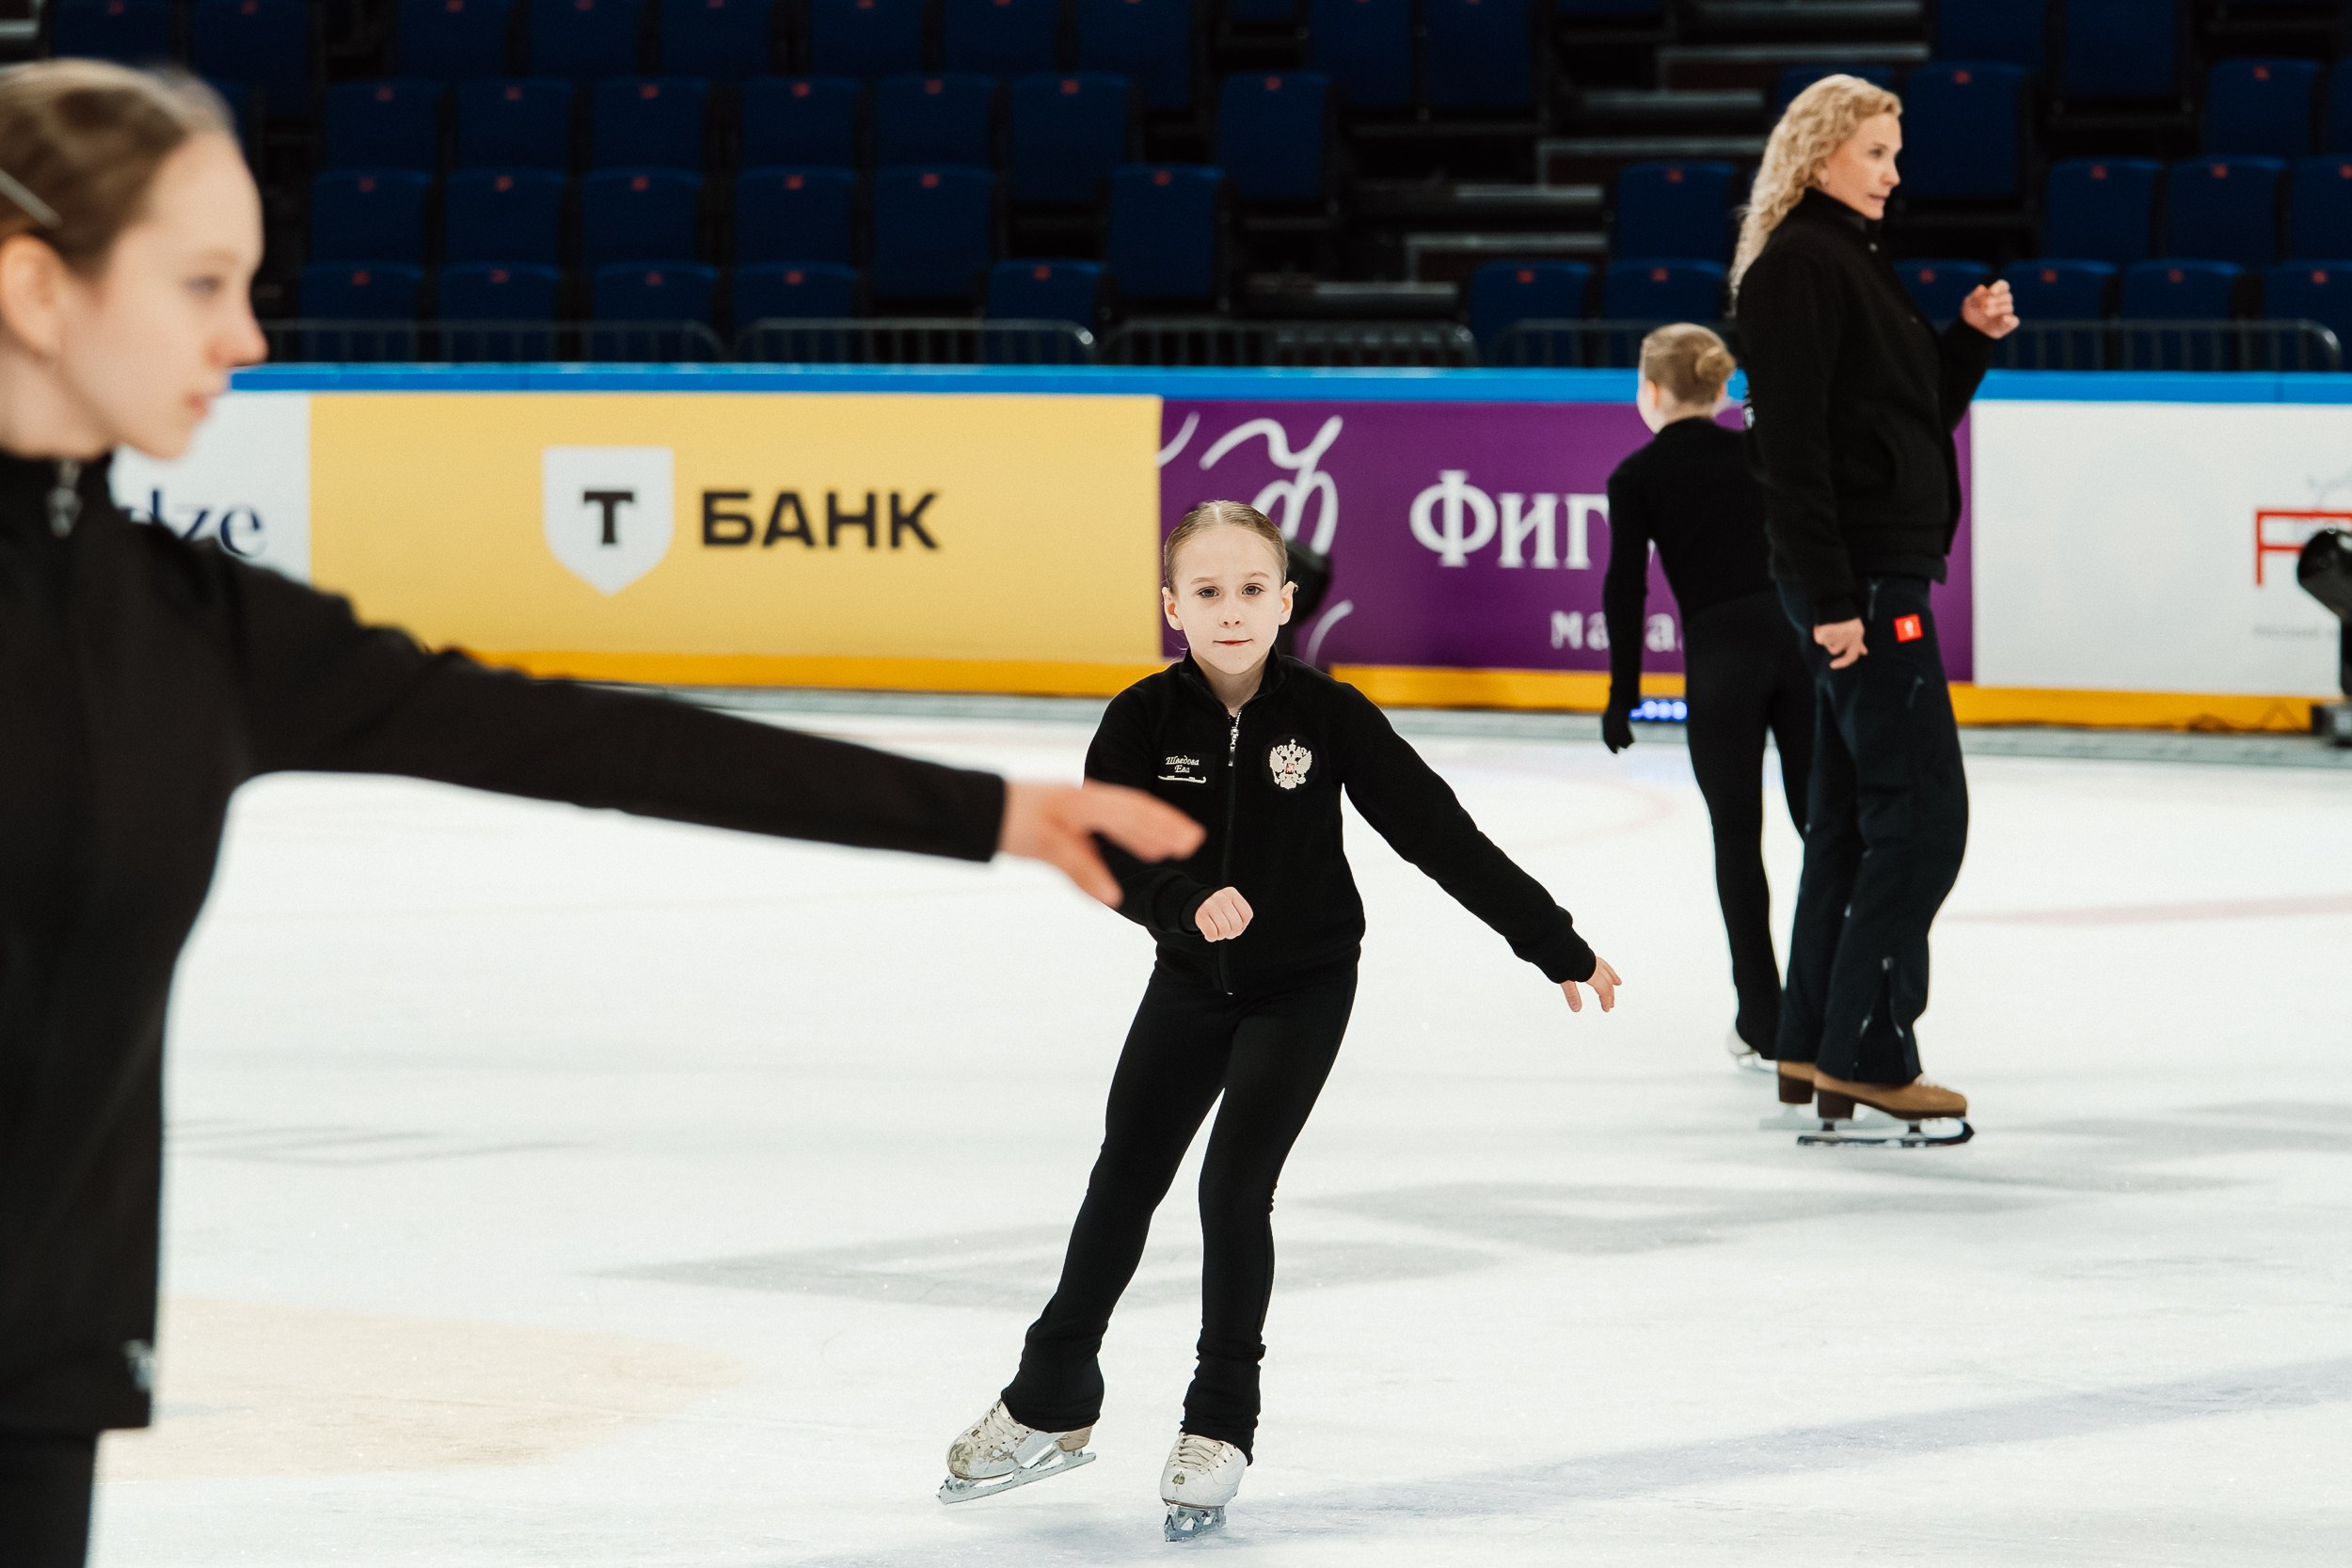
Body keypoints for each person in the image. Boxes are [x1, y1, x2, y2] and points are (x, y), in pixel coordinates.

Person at [0, 62, 1203, 1568]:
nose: (245, 336)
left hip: (42, 1366)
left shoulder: (190, 625)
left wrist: (985, 812)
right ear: (39, 290)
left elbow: (569, 734)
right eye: (199, 283)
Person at [938, 500, 1621, 1543]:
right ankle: (1050, 1395)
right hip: (1186, 978)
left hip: (1302, 983)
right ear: (1172, 606)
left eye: (1251, 588)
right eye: (1206, 591)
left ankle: (1219, 1421)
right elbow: (1105, 852)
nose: (1229, 608)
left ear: (1287, 601)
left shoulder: (1328, 713)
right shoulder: (1138, 719)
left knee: (1231, 1181)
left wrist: (1551, 939)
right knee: (1126, 1170)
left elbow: (1438, 832)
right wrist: (1179, 905)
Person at [1731, 74, 2019, 1131]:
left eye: (1895, 155)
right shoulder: (1802, 268)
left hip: (1874, 579)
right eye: (1876, 154)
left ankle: (1811, 1041)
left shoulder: (1846, 261)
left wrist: (1966, 345)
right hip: (1864, 591)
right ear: (1819, 156)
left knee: (1851, 826)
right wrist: (1827, 597)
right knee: (1922, 822)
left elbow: (1899, 418)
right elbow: (1792, 452)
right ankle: (1866, 1045)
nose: (1894, 174)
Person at [1599, 324, 1813, 1084]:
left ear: (1652, 392)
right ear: (1719, 388)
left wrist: (1625, 691)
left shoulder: (1638, 474)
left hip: (1722, 666)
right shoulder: (1757, 453)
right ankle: (1827, 1002)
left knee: (1738, 840)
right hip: (1798, 646)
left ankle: (1763, 1017)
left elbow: (1626, 590)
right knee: (1822, 829)